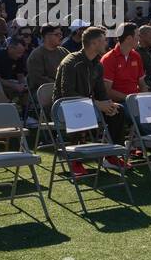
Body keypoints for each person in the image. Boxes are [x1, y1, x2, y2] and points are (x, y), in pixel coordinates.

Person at [55, 25, 129, 172]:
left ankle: (111, 155)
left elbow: (101, 92)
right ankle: (74, 160)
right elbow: (67, 93)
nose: (107, 43)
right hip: (64, 107)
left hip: (86, 104)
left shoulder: (97, 64)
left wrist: (108, 104)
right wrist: (96, 104)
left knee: (118, 110)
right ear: (94, 43)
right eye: (104, 40)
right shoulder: (71, 62)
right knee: (80, 109)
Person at [0, 35, 30, 105]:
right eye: (19, 53)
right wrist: (15, 86)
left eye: (22, 53)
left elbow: (20, 75)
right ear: (10, 48)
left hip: (6, 83)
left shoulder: (19, 57)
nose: (20, 55)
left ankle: (23, 111)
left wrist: (23, 85)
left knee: (26, 91)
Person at [26, 24, 68, 97]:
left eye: (61, 34)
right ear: (47, 36)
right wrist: (61, 84)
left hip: (64, 89)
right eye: (57, 34)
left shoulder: (63, 52)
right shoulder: (36, 55)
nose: (61, 37)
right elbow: (38, 79)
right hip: (44, 92)